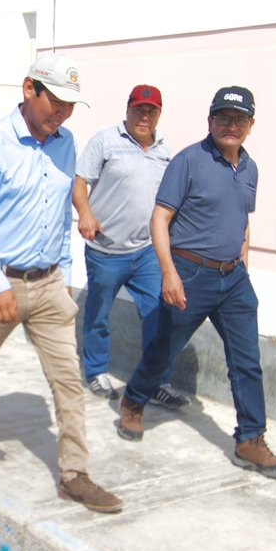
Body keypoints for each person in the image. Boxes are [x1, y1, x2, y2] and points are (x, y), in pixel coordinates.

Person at [0, 53, 124, 514]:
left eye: (71, 105)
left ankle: (74, 475)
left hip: (50, 284)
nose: (62, 113)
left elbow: (58, 214)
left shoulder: (66, 143)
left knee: (69, 382)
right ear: (29, 89)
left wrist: (66, 276)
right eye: (56, 101)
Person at [116, 86, 276, 479]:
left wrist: (244, 268)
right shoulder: (188, 162)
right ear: (210, 121)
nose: (232, 125)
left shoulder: (250, 169)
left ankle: (250, 439)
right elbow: (159, 220)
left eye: (240, 119)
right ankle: (133, 400)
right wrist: (169, 273)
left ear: (250, 126)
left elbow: (242, 221)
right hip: (190, 274)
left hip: (233, 281)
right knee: (163, 349)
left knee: (247, 363)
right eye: (224, 118)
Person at [72, 84, 188, 410]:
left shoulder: (166, 150)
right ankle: (95, 370)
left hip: (148, 251)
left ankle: (156, 382)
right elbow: (80, 183)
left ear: (159, 114)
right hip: (106, 249)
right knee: (99, 314)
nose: (144, 116)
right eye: (139, 109)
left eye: (151, 111)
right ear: (128, 109)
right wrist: (85, 213)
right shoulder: (106, 141)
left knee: (158, 316)